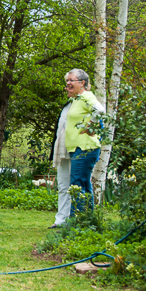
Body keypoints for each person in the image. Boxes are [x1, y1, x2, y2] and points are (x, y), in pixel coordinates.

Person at [49, 68, 104, 228]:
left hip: (85, 148)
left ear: (82, 83)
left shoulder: (86, 95)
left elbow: (100, 111)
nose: (68, 83)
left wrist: (90, 126)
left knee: (77, 185)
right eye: (67, 81)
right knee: (83, 185)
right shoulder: (77, 100)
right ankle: (87, 222)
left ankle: (75, 223)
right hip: (78, 148)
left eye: (71, 80)